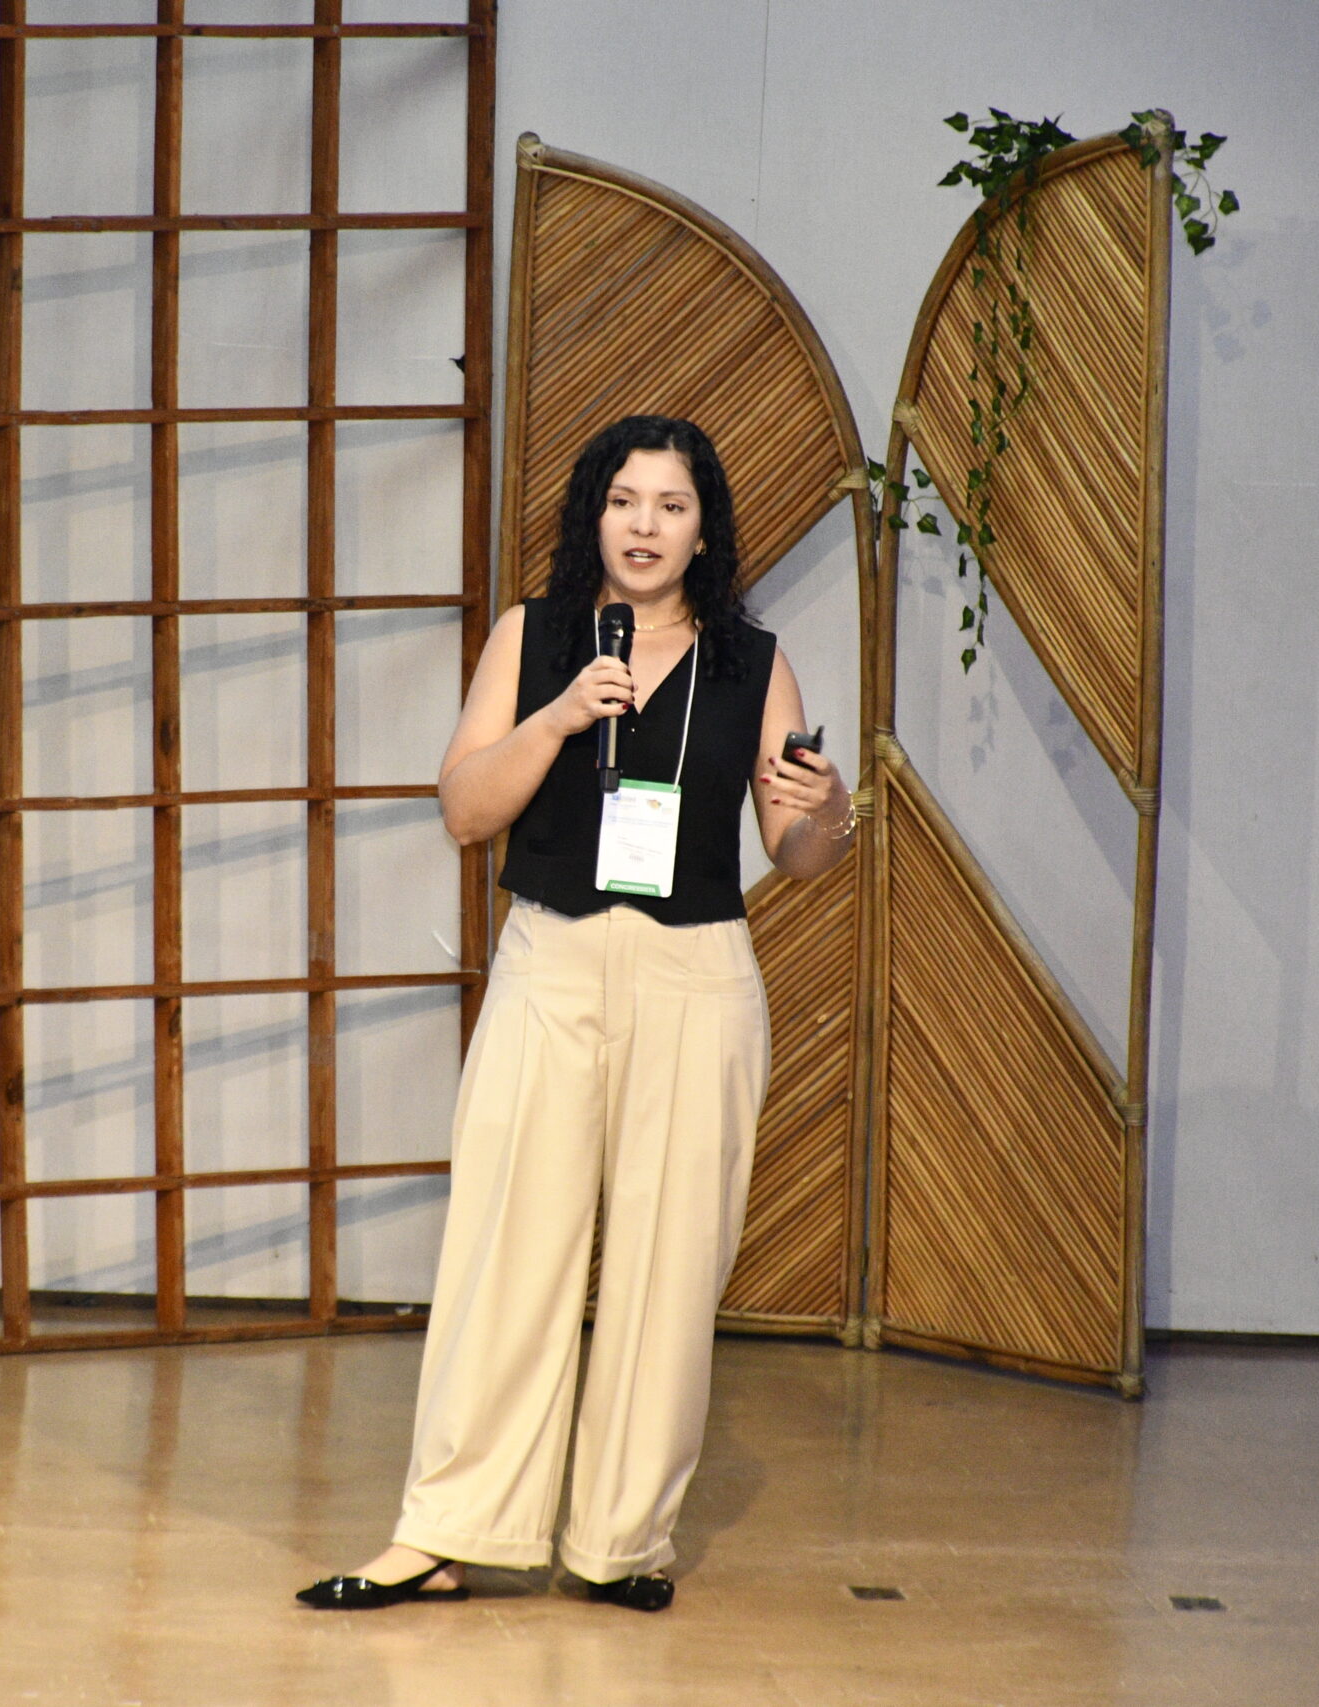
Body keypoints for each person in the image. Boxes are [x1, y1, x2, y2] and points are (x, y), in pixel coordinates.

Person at [297, 416, 855, 1614]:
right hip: (550, 963)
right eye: (623, 501)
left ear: (703, 530)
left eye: (670, 506)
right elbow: (464, 812)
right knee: (507, 1248)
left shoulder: (752, 662)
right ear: (592, 514)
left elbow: (794, 851)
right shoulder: (535, 635)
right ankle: (447, 1534)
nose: (644, 526)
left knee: (670, 1266)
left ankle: (620, 1543)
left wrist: (830, 807)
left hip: (695, 976)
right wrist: (555, 716)